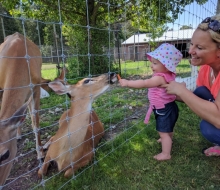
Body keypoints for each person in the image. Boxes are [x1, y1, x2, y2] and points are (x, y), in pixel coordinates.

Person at [163, 15, 220, 156]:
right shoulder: (206, 68)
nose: (190, 51)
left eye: (199, 47)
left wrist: (182, 91)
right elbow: (195, 97)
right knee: (201, 92)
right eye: (192, 44)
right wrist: (170, 91)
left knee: (209, 128)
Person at [119, 43, 183, 161]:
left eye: (155, 63)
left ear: (166, 65)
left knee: (163, 131)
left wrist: (128, 83)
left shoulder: (159, 77)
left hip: (164, 109)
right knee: (168, 128)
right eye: (151, 62)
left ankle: (166, 153)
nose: (151, 66)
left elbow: (145, 83)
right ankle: (166, 139)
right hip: (169, 107)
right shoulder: (168, 75)